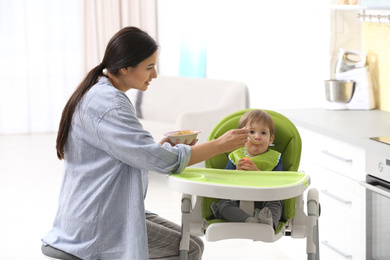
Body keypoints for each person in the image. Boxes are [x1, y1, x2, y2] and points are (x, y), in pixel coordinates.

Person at [41, 26, 249, 260]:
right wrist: (219, 146)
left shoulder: (100, 92)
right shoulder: (110, 104)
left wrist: (158, 148)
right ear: (125, 67)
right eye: (149, 67)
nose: (155, 75)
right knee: (190, 249)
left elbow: (132, 153)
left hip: (99, 212)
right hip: (97, 224)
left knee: (193, 243)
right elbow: (161, 161)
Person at [210, 109, 283, 230]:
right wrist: (237, 173)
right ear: (243, 137)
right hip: (237, 199)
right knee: (224, 205)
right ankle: (249, 221)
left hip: (264, 200)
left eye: (263, 133)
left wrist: (258, 174)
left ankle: (269, 224)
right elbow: (224, 182)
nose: (257, 137)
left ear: (271, 139)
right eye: (252, 132)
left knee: (276, 203)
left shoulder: (274, 158)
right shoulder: (235, 156)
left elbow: (280, 183)